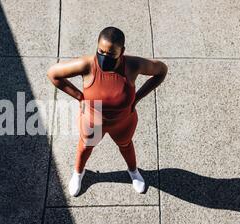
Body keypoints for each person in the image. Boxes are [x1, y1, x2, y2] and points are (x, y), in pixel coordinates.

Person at [47, 26, 168, 197]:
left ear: (122, 51)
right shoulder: (87, 65)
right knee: (86, 146)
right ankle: (78, 173)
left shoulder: (133, 65)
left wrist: (138, 97)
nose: (104, 57)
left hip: (123, 122)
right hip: (92, 121)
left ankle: (133, 171)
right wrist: (79, 97)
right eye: (100, 51)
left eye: (111, 54)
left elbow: (162, 71)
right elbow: (53, 74)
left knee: (126, 145)